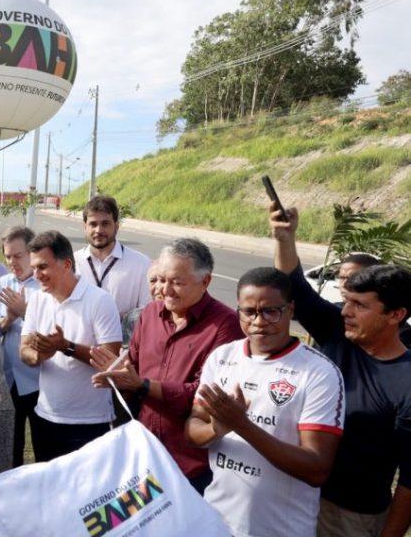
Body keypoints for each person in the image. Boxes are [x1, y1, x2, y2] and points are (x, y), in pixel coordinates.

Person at [270, 204, 411, 537]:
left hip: (350, 516)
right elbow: (297, 290)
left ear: (395, 315)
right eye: (346, 300)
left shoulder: (407, 381)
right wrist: (284, 237)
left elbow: (409, 482)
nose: (345, 311)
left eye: (359, 305)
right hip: (293, 494)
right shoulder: (338, 331)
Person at [185, 267, 345, 537]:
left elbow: (316, 469)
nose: (259, 322)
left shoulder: (319, 373)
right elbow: (193, 429)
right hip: (217, 523)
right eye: (249, 312)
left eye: (271, 311)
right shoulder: (222, 357)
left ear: (291, 310)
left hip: (281, 529)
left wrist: (241, 425)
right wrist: (216, 429)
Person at [92, 238, 241, 494]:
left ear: (205, 282)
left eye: (177, 282)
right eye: (160, 280)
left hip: (194, 466)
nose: (165, 290)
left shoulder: (226, 325)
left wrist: (142, 385)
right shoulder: (150, 314)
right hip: (145, 457)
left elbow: (204, 394)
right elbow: (134, 368)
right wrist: (118, 380)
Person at [20, 230, 122, 461]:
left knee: (89, 495)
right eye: (34, 268)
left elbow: (111, 359)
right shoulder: (37, 298)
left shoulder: (100, 301)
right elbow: (24, 349)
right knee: (50, 492)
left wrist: (66, 347)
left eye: (43, 267)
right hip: (45, 417)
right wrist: (39, 355)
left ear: (66, 264)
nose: (36, 275)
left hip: (89, 422)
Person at [0, 226, 40, 466]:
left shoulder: (46, 284)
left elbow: (55, 330)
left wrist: (25, 313)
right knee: (10, 446)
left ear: (32, 253)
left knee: (42, 445)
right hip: (9, 379)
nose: (11, 262)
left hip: (40, 380)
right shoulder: (3, 283)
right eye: (7, 256)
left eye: (18, 256)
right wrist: (7, 319)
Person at [75, 195, 151, 319]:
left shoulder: (141, 264)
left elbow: (148, 310)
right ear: (85, 227)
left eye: (105, 224)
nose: (98, 230)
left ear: (116, 226)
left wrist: (119, 318)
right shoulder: (72, 263)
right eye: (93, 224)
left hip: (123, 337)